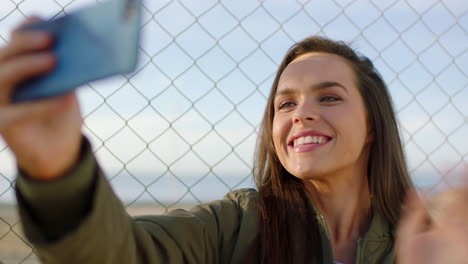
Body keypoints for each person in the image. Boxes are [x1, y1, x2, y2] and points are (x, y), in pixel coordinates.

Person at [0, 17, 467, 264]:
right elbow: (116, 255)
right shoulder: (234, 224)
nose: (301, 112)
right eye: (285, 104)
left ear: (373, 127)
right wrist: (57, 168)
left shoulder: (432, 241)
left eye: (328, 97)